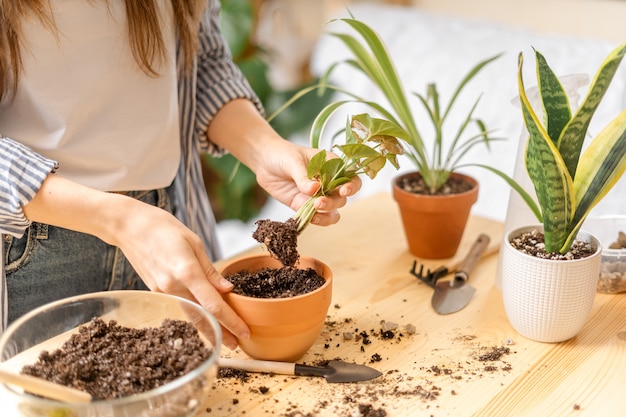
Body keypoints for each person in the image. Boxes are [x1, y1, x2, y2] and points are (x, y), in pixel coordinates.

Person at [0, 0, 361, 349]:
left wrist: (264, 148)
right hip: (32, 250)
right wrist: (121, 222)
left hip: (170, 226)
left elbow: (200, 60)